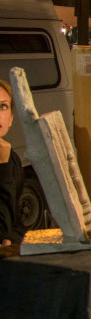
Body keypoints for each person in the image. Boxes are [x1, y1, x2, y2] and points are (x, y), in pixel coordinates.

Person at [0, 80, 25, 246]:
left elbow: (15, 224)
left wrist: (11, 239)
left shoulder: (11, 157)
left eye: (3, 107)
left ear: (10, 119)